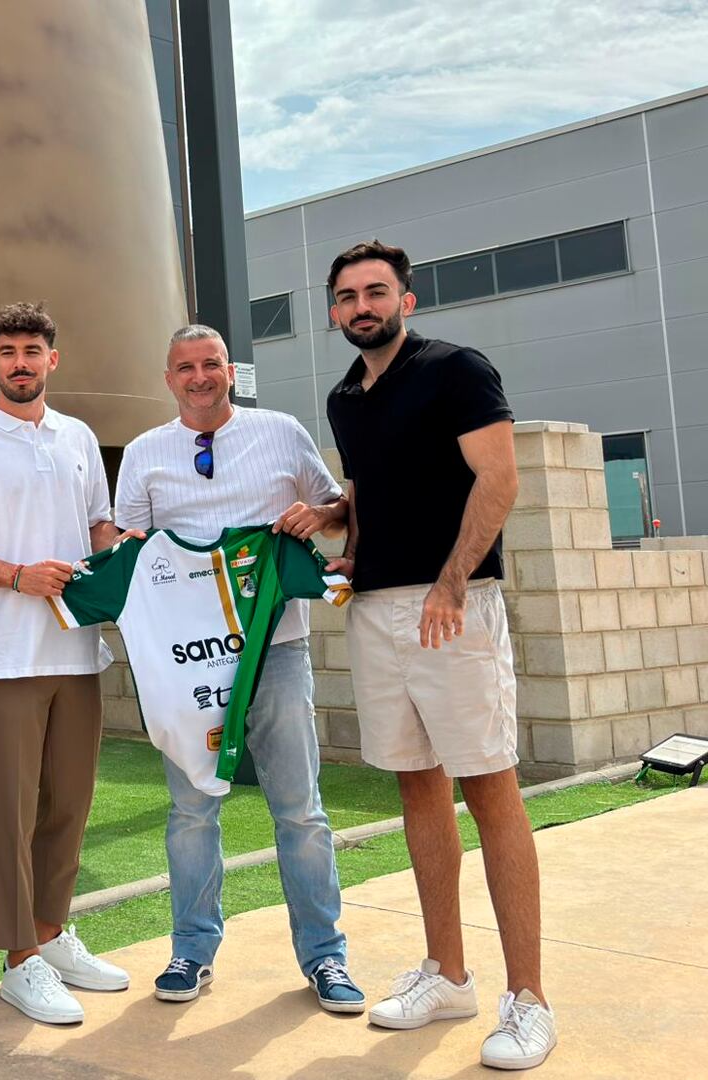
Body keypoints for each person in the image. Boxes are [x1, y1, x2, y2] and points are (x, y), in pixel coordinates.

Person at [322, 240, 553, 1070]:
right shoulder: (345, 396)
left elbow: (498, 479)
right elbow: (369, 495)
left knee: (491, 790)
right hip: (376, 610)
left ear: (406, 300)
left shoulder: (458, 368)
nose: (361, 307)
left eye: (375, 292)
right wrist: (335, 526)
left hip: (453, 608)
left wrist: (453, 583)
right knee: (418, 787)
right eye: (346, 296)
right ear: (334, 311)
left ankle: (528, 1000)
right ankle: (447, 974)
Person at [114, 324, 364, 1011]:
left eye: (212, 364)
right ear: (169, 377)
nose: (200, 377)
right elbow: (124, 540)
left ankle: (325, 957)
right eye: (186, 367)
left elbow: (340, 512)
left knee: (301, 811)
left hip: (276, 649)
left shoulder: (281, 432)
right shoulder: (144, 453)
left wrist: (319, 515)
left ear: (231, 370)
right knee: (192, 810)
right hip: (188, 664)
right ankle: (191, 951)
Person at [0, 302, 134, 1026]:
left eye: (32, 350)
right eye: (8, 350)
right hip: (5, 657)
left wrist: (121, 544)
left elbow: (96, 525)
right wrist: (17, 577)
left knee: (69, 805)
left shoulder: (77, 436)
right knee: (12, 813)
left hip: (78, 649)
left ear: (53, 359)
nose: (20, 361)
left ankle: (51, 934)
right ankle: (18, 962)